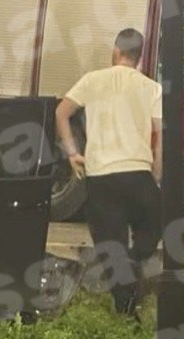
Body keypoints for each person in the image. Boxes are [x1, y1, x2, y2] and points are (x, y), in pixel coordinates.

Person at [55, 28, 163, 321]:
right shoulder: (151, 88)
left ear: (116, 51)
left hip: (102, 177)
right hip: (138, 174)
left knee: (111, 247)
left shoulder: (92, 80)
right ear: (140, 57)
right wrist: (156, 173)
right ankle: (134, 263)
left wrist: (72, 153)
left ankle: (126, 310)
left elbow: (61, 113)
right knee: (152, 228)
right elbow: (160, 137)